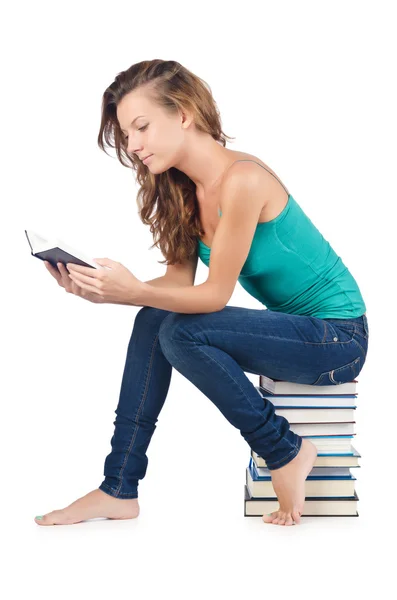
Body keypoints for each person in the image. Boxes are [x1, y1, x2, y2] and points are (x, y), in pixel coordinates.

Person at [34, 59, 369, 527]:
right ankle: (119, 487)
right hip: (300, 334)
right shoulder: (184, 191)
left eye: (142, 127)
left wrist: (128, 289)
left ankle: (285, 450)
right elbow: (175, 288)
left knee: (181, 334)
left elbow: (212, 296)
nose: (133, 145)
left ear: (184, 114)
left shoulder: (244, 180)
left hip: (339, 339)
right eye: (127, 134)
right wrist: (104, 291)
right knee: (155, 319)